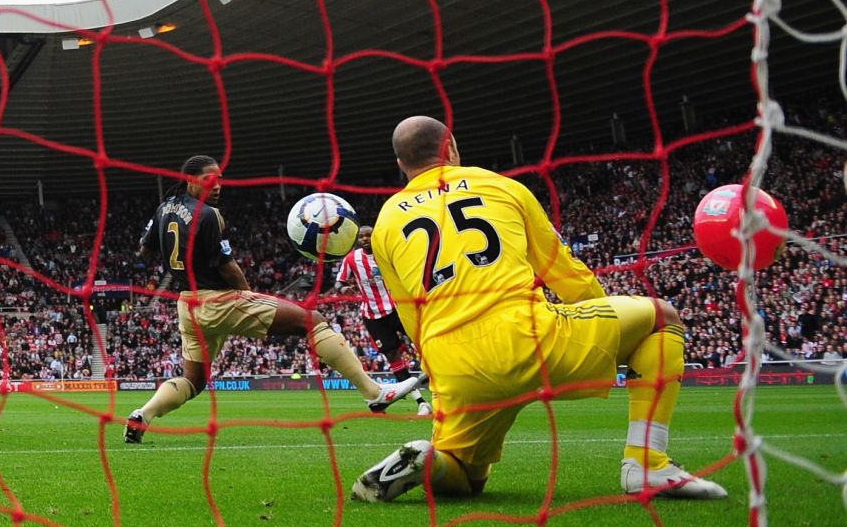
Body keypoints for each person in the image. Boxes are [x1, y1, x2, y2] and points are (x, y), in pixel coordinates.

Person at [351, 116, 726, 502]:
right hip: (530, 336)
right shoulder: (502, 187)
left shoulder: (385, 224)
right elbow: (565, 273)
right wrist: (606, 330)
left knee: (466, 476)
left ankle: (429, 461)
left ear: (401, 165)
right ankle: (646, 462)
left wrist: (440, 373)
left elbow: (412, 316)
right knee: (661, 318)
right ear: (451, 148)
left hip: (454, 363)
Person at [123, 155, 426, 444]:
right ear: (190, 180)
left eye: (220, 179)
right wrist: (246, 293)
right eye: (208, 179)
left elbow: (145, 250)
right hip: (218, 301)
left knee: (194, 381)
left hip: (187, 305)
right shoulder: (208, 214)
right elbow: (226, 264)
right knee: (313, 321)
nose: (216, 185)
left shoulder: (164, 208)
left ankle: (143, 414)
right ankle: (373, 392)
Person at [334, 224, 432, 416]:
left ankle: (439, 382)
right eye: (361, 237)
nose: (364, 239)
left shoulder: (386, 253)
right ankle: (421, 402)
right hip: (373, 317)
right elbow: (339, 281)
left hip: (398, 308)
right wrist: (343, 289)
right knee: (393, 356)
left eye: (368, 236)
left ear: (374, 236)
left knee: (424, 342)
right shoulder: (352, 259)